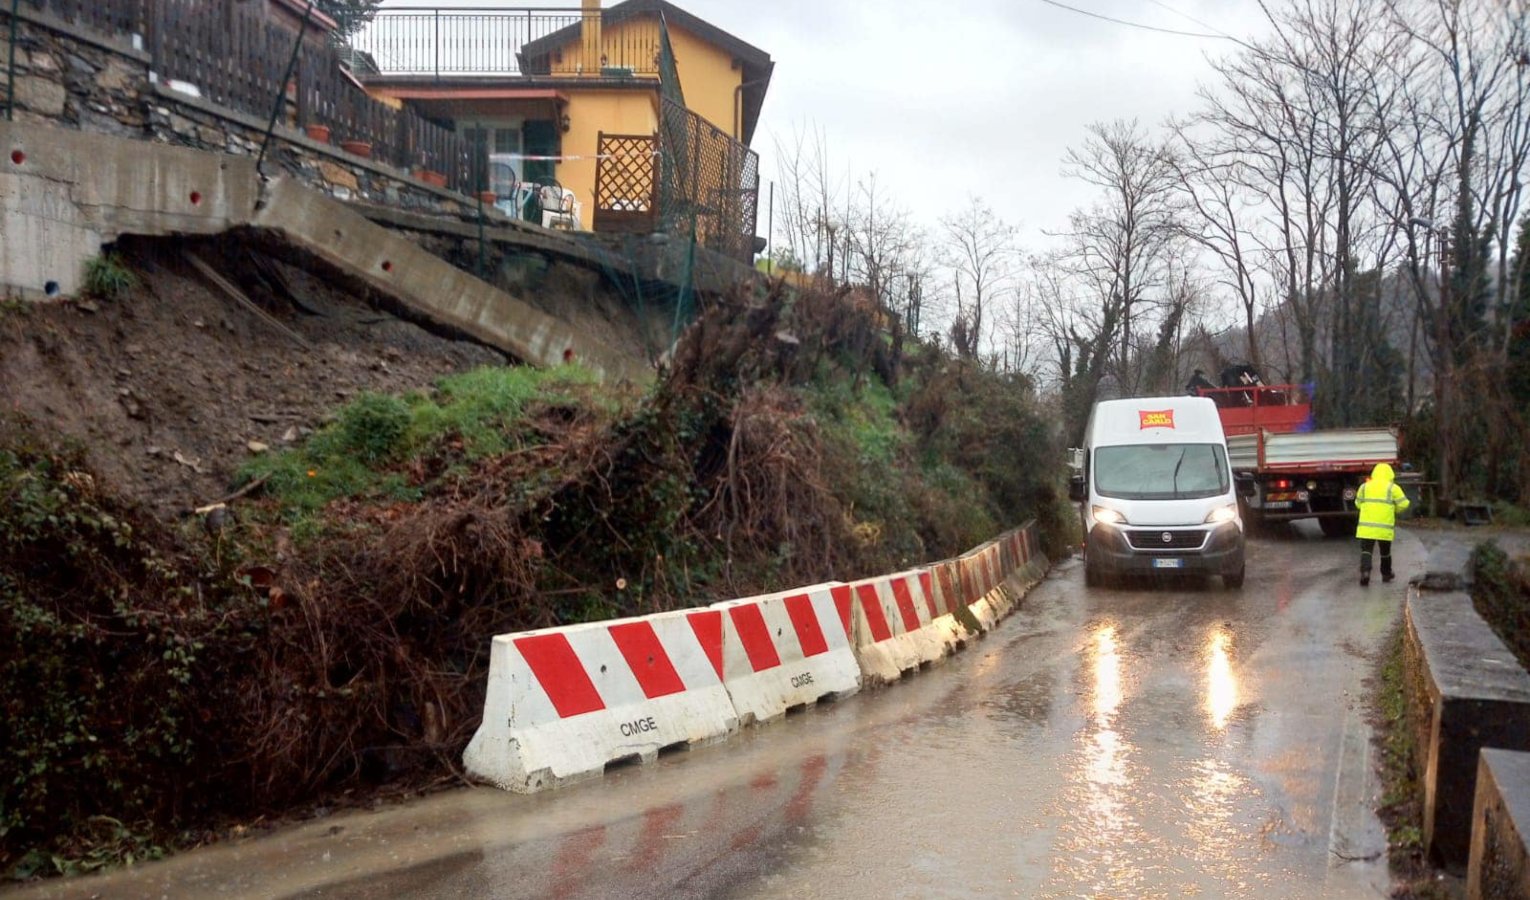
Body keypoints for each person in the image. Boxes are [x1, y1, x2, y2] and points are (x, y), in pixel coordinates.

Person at [1354, 462, 1410, 586]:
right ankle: (1386, 573)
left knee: (1366, 551)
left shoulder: (1364, 486)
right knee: (1385, 552)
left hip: (1366, 527)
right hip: (1384, 527)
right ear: (1390, 474)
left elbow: (1357, 503)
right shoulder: (1392, 488)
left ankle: (1365, 572)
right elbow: (1404, 503)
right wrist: (1395, 510)